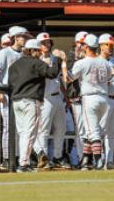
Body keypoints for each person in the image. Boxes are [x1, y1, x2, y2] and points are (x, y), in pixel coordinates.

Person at [8, 39, 65, 173]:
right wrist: (57, 59)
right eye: (38, 51)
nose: (40, 53)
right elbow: (52, 74)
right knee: (29, 133)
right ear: (32, 51)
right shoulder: (36, 62)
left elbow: (9, 84)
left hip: (16, 101)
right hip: (31, 100)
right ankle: (24, 164)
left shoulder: (14, 65)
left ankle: (25, 161)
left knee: (23, 133)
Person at [69, 34, 114, 171]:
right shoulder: (105, 62)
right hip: (104, 98)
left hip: (90, 97)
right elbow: (111, 76)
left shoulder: (81, 62)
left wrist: (63, 64)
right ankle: (86, 158)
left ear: (87, 47)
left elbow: (69, 78)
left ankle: (98, 159)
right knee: (94, 130)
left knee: (92, 131)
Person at [0, 25, 31, 169]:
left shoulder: (24, 54)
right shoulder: (4, 53)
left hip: (21, 93)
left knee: (21, 128)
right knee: (8, 128)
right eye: (23, 37)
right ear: (15, 37)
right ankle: (7, 158)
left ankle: (20, 158)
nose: (25, 39)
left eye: (26, 37)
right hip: (7, 92)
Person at [33, 32, 69, 169]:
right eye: (43, 43)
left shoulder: (55, 57)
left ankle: (58, 156)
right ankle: (44, 158)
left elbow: (59, 78)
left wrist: (65, 96)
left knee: (61, 128)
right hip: (45, 98)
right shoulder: (37, 60)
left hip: (57, 96)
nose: (46, 45)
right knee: (44, 130)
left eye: (47, 42)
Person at [98, 33, 114, 169]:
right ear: (101, 46)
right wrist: (113, 73)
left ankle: (110, 160)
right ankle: (100, 159)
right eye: (109, 45)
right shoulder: (97, 62)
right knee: (102, 131)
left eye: (112, 45)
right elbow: (99, 82)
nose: (111, 47)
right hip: (104, 98)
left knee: (112, 132)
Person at [66, 31, 88, 164]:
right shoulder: (70, 56)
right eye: (81, 43)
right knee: (80, 130)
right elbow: (67, 76)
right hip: (76, 98)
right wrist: (78, 58)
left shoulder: (91, 56)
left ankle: (88, 157)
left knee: (90, 130)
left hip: (89, 97)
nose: (83, 46)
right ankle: (79, 158)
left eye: (85, 44)